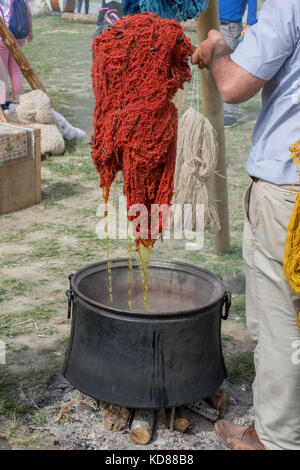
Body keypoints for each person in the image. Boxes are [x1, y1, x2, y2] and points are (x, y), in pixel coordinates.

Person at [192, 0, 300, 451]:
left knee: (282, 327)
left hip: (288, 192)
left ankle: (277, 440)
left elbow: (235, 85)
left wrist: (218, 48)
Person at [219, 0, 257, 128]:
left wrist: (250, 22)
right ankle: (217, 108)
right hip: (213, 23)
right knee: (212, 68)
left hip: (230, 27)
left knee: (229, 70)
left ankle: (229, 113)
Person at [0, 0, 32, 102]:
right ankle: (19, 102)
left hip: (3, 35)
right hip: (20, 34)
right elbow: (28, 12)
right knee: (15, 71)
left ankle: (4, 104)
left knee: (2, 72)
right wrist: (30, 31)